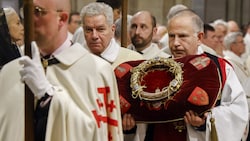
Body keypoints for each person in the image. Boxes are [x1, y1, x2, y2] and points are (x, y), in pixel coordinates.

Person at [0, 0, 123, 141]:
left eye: (38, 12)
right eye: (25, 13)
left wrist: (48, 96)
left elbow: (97, 133)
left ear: (62, 19)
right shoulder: (9, 72)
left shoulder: (97, 71)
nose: (28, 20)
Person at [165, 9, 247, 141]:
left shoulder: (220, 68)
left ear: (199, 38)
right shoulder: (158, 68)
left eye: (182, 36)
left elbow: (238, 112)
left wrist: (205, 121)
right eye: (171, 36)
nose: (175, 43)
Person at [81, 2, 143, 69]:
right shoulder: (75, 60)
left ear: (112, 29)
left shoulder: (133, 61)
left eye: (100, 29)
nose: (94, 36)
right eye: (89, 30)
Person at [223, 32, 250, 141]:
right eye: (241, 42)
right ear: (232, 45)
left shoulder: (239, 61)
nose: (244, 45)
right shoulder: (229, 62)